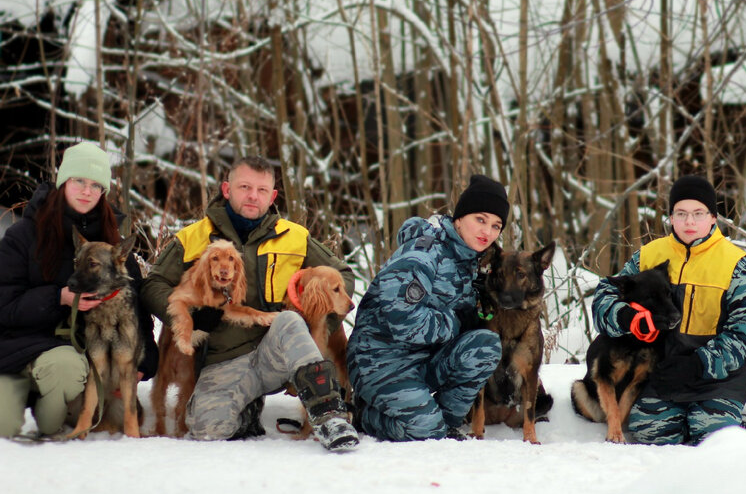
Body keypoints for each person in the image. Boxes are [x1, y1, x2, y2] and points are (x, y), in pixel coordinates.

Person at [142, 155, 358, 451]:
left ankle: (330, 416)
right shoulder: (194, 237)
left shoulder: (295, 237)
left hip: (277, 353)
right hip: (223, 361)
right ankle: (246, 412)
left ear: (273, 196)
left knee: (289, 321)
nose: (253, 196)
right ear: (227, 189)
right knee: (207, 429)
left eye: (261, 190)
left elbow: (342, 276)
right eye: (244, 187)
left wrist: (320, 323)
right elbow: (153, 285)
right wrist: (189, 316)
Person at [591, 175, 746, 445]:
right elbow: (605, 294)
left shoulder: (739, 265)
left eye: (698, 213)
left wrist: (699, 364)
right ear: (671, 218)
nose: (689, 222)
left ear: (713, 218)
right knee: (652, 434)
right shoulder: (648, 256)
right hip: (662, 375)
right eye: (681, 214)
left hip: (717, 378)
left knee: (711, 436)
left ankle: (736, 421)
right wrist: (626, 317)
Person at [0, 141, 158, 438]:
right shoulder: (22, 235)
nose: (87, 191)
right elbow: (3, 304)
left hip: (68, 363)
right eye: (79, 181)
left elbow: (136, 310)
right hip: (17, 352)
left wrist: (144, 363)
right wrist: (58, 297)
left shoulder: (111, 241)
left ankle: (51, 408)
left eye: (96, 185)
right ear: (63, 182)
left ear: (103, 192)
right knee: (3, 425)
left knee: (61, 416)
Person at [347, 174, 507, 441]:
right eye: (480, 219)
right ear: (459, 218)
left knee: (485, 345)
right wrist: (455, 322)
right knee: (424, 429)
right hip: (379, 358)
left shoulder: (470, 262)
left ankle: (445, 425)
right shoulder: (424, 253)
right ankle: (364, 414)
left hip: (422, 358)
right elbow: (402, 319)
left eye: (496, 225)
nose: (487, 232)